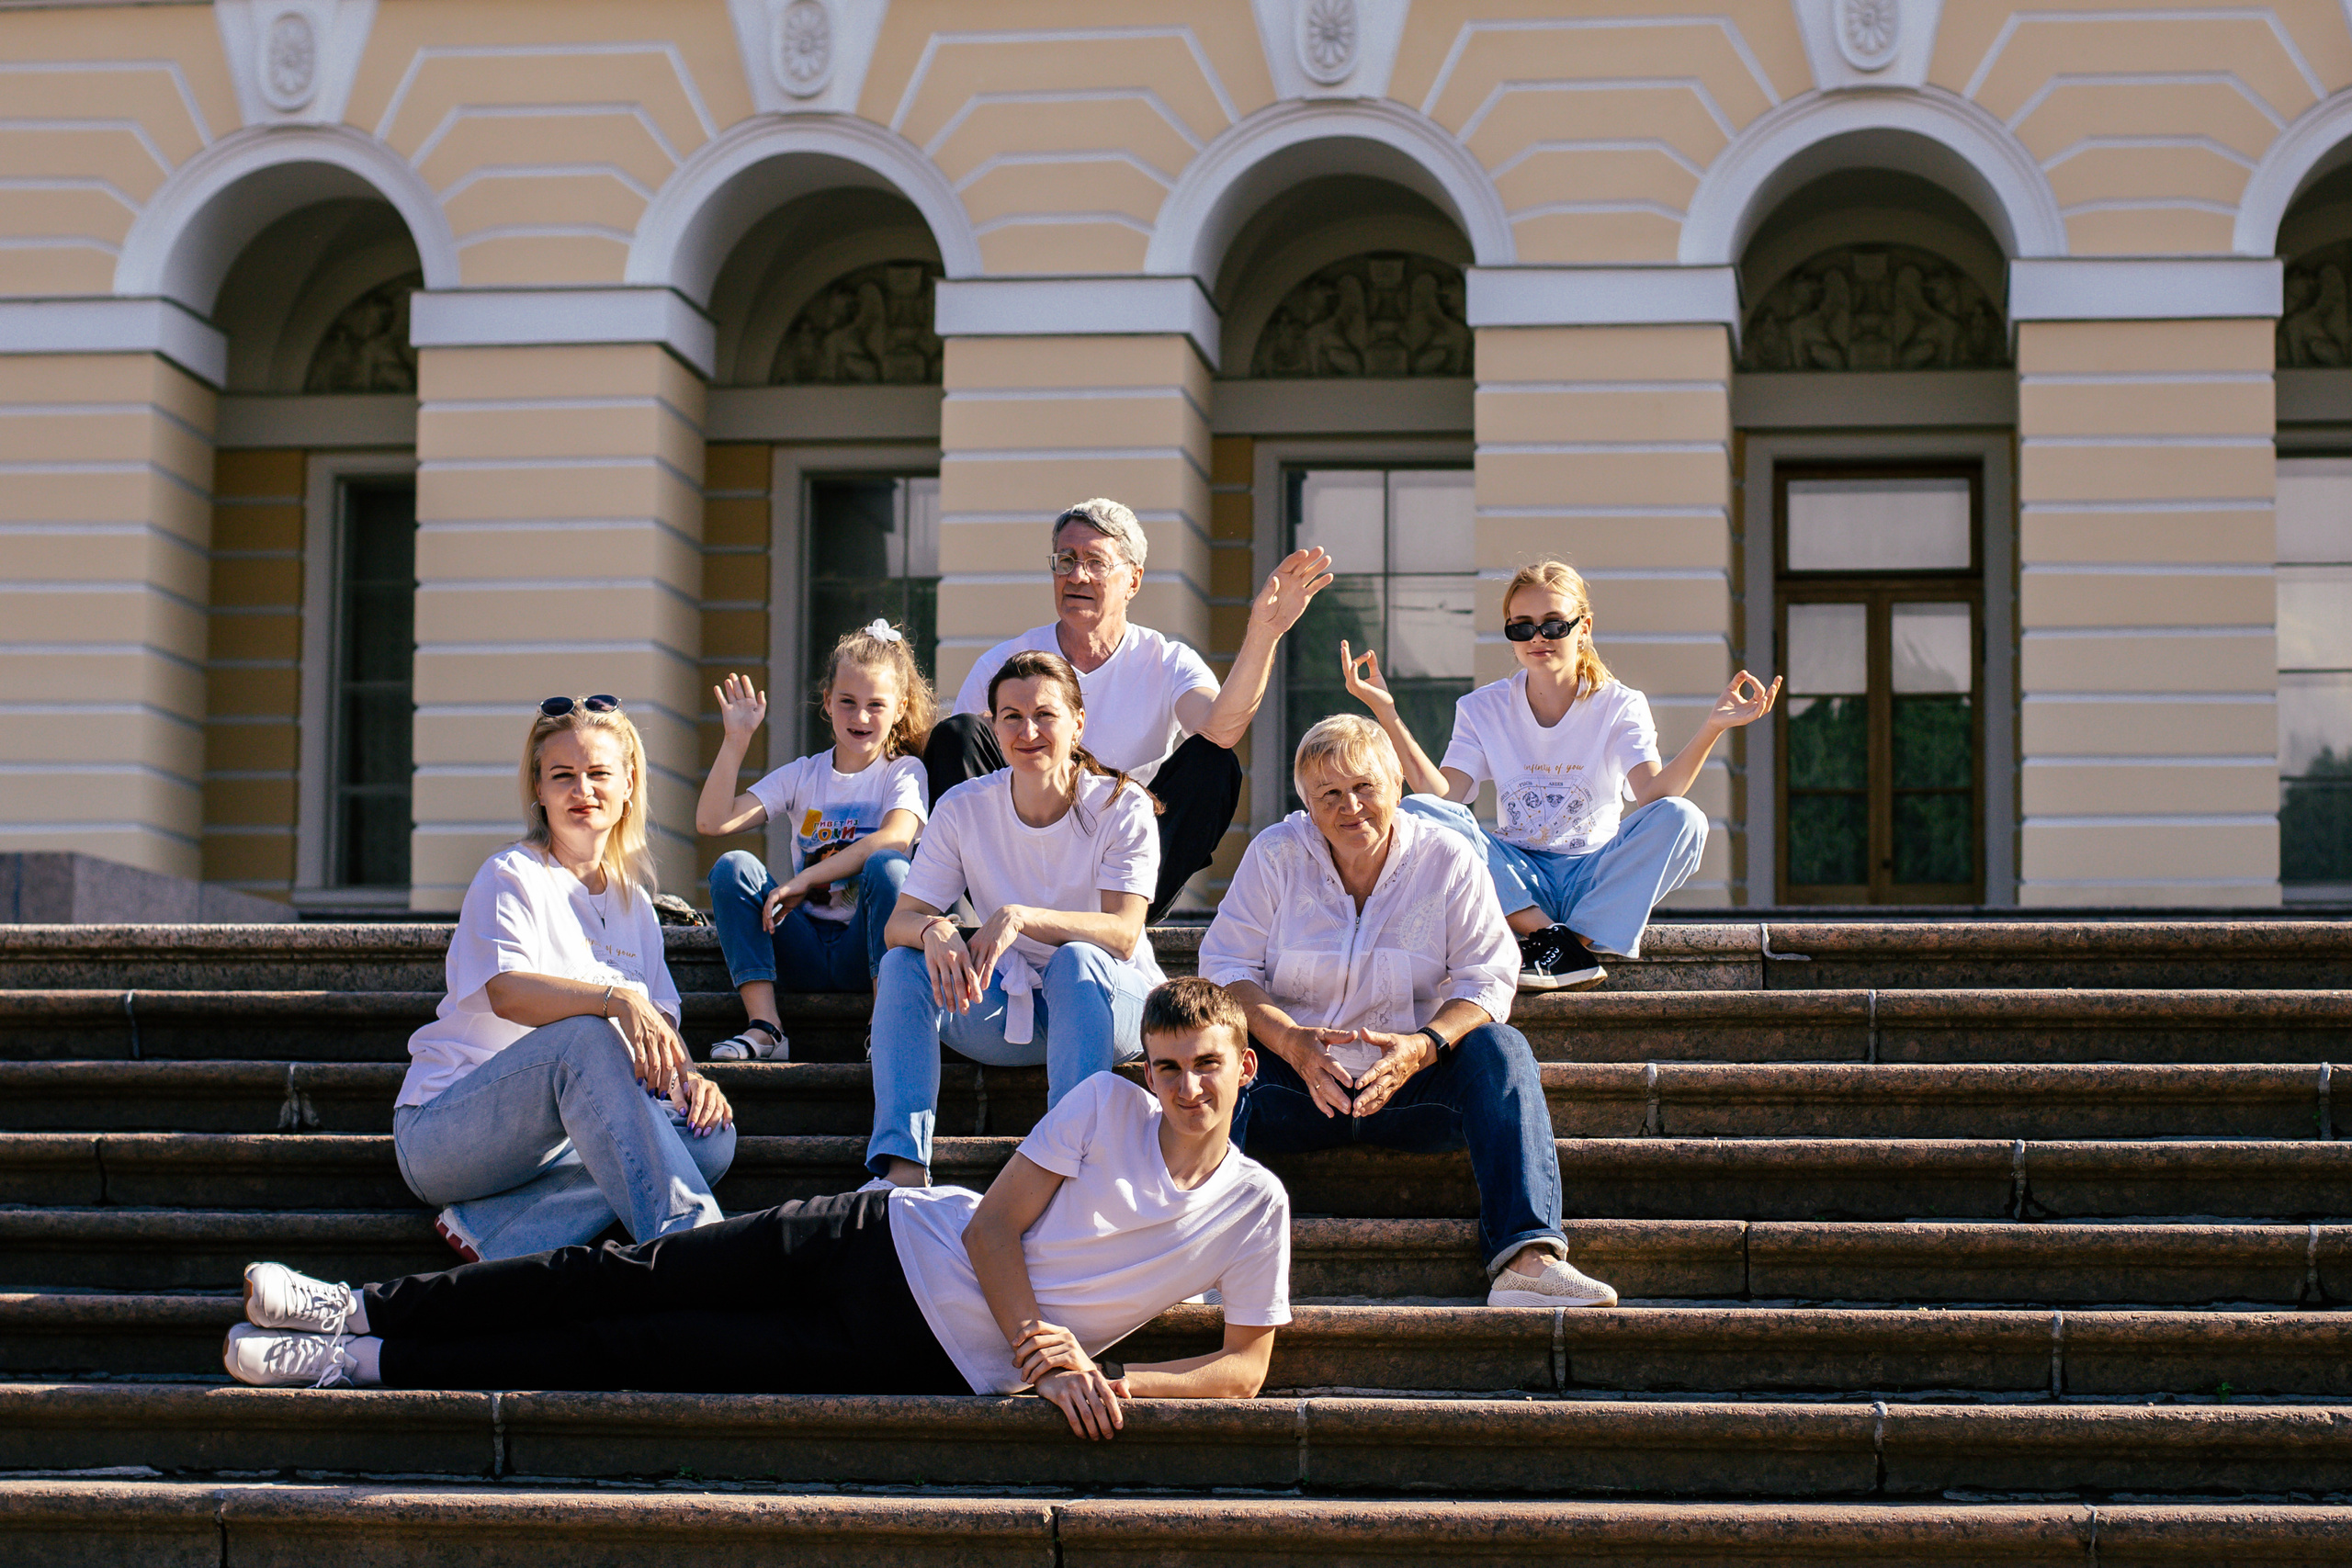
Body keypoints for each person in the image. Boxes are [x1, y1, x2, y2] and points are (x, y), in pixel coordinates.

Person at [222, 978, 1291, 1443]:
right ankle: (358, 1307)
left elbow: (1244, 1367)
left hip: (914, 1354)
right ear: (1146, 1070)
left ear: (1245, 1067)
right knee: (622, 1272)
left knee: (636, 1347)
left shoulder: (1255, 1208)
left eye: (1205, 1065)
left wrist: (1110, 1381)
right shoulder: (1104, 1105)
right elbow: (990, 1227)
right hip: (877, 1236)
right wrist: (1042, 1353)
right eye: (1167, 1066)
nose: (1184, 1086)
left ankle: (357, 1366)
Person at [1200, 714, 1615, 1309]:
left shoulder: (1447, 857)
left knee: (1502, 1049)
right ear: (1307, 805)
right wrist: (1290, 1042)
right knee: (1213, 1055)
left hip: (1412, 1086)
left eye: (1364, 786)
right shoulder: (1275, 854)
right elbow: (1225, 968)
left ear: (1397, 784)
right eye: (1329, 793)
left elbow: (1488, 976)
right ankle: (1196, 1259)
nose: (1350, 807)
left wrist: (1423, 1046)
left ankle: (1528, 1262)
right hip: (1296, 1085)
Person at [394, 695, 736, 1264]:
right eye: (563, 776)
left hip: (561, 1143)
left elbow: (658, 1035)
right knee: (586, 1034)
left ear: (628, 784)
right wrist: (614, 999)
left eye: (599, 773)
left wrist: (690, 1081)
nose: (583, 790)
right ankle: (693, 1246)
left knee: (711, 1137)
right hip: (447, 1132)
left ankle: (496, 1232)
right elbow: (507, 992)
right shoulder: (511, 875)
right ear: (539, 788)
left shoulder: (635, 904)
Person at [1344, 558, 1780, 990]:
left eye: (1554, 625)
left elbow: (1652, 794)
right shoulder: (1482, 708)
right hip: (1515, 882)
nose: (1538, 638)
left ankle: (1573, 943)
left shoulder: (1620, 704)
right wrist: (1386, 710)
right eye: (1522, 627)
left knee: (1684, 819)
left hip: (1593, 878)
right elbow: (1443, 797)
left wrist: (1713, 727)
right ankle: (1551, 938)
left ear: (1583, 627)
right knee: (1420, 811)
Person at [925, 497, 1332, 919]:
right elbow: (966, 779)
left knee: (1214, 760)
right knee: (957, 735)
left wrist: (1264, 633)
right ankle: (1009, 901)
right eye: (1066, 560)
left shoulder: (1167, 660)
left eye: (1095, 562)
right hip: (1022, 866)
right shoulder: (1005, 665)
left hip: (1124, 864)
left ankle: (1126, 913)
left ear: (1133, 580)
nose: (1077, 575)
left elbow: (1221, 729)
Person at [868, 649, 1163, 1188]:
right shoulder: (963, 807)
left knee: (1077, 961)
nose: (1028, 731)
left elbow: (1123, 934)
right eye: (1012, 717)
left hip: (1107, 1005)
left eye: (1045, 714)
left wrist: (1023, 918)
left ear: (1078, 722)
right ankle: (902, 1172)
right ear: (994, 727)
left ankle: (1070, 1171)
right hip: (1008, 1006)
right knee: (901, 966)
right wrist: (935, 929)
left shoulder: (1121, 805)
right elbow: (898, 924)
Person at [696, 621, 935, 1060]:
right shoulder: (805, 774)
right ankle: (766, 1028)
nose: (860, 717)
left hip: (866, 948)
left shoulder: (903, 772)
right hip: (801, 946)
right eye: (847, 702)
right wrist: (735, 741)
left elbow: (896, 838)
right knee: (733, 867)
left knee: (889, 867)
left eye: (875, 705)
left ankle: (885, 1025)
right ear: (827, 701)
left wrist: (804, 880)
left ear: (900, 708)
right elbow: (714, 822)